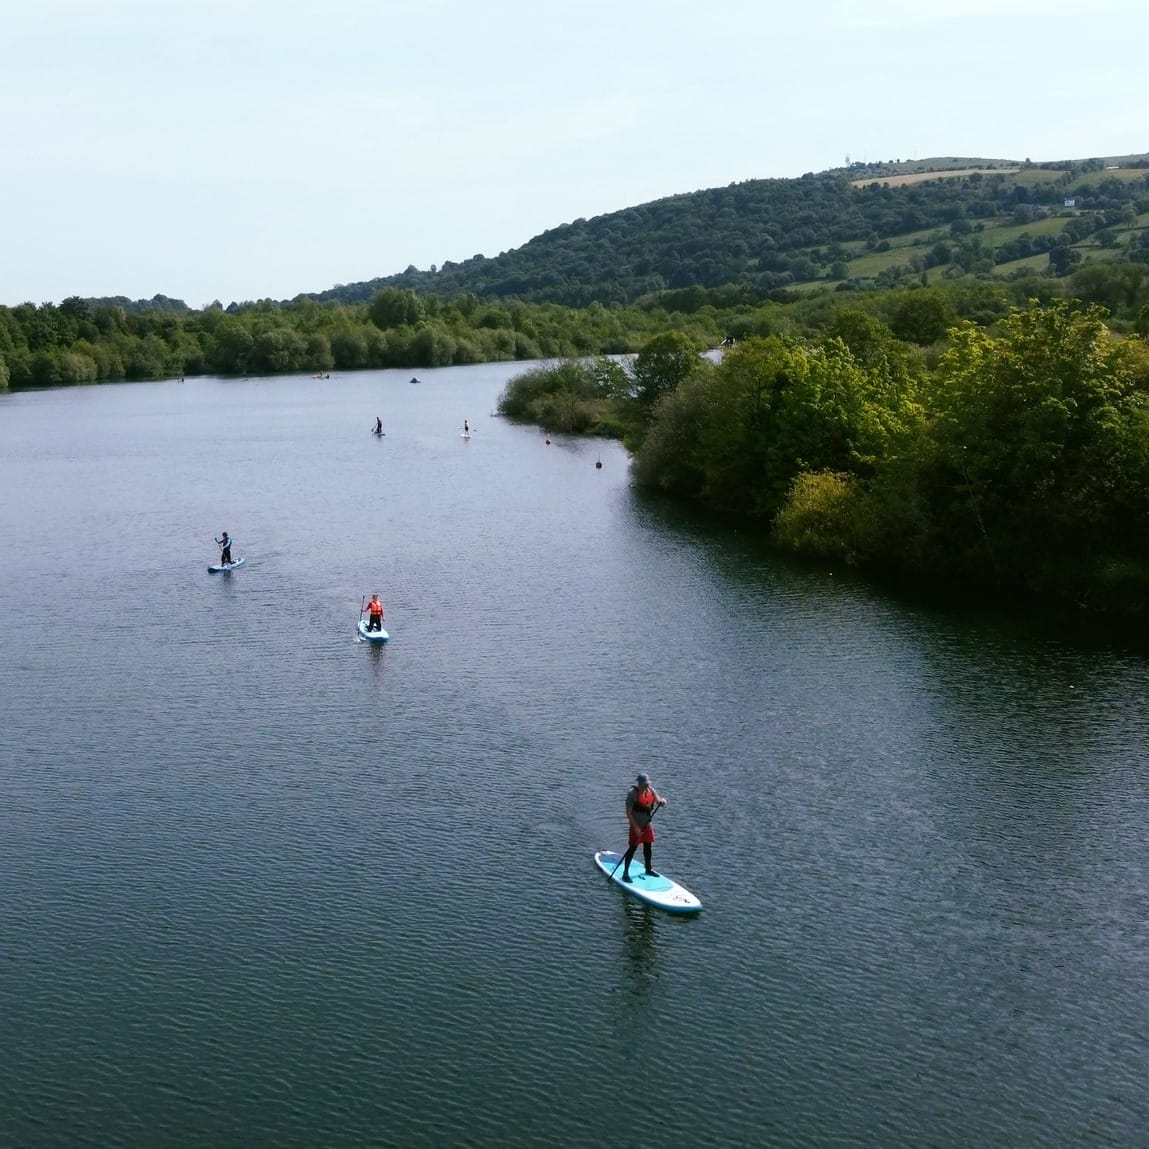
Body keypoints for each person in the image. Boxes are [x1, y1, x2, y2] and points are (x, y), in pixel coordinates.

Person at [621, 773, 667, 883]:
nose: (647, 786)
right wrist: (636, 828)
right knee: (632, 848)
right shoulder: (632, 794)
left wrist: (662, 802)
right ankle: (625, 873)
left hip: (647, 824)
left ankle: (648, 869)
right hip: (636, 825)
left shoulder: (650, 790)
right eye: (644, 784)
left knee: (648, 846)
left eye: (648, 784)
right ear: (639, 783)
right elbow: (628, 812)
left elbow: (658, 800)